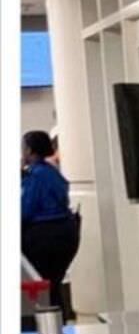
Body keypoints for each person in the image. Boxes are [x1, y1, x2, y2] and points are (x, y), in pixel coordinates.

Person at [21, 130, 80, 317]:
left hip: (43, 238)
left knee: (40, 285)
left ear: (29, 150)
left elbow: (25, 211)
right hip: (67, 234)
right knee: (53, 284)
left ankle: (41, 326)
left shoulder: (35, 176)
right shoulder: (52, 172)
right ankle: (58, 324)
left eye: (23, 148)